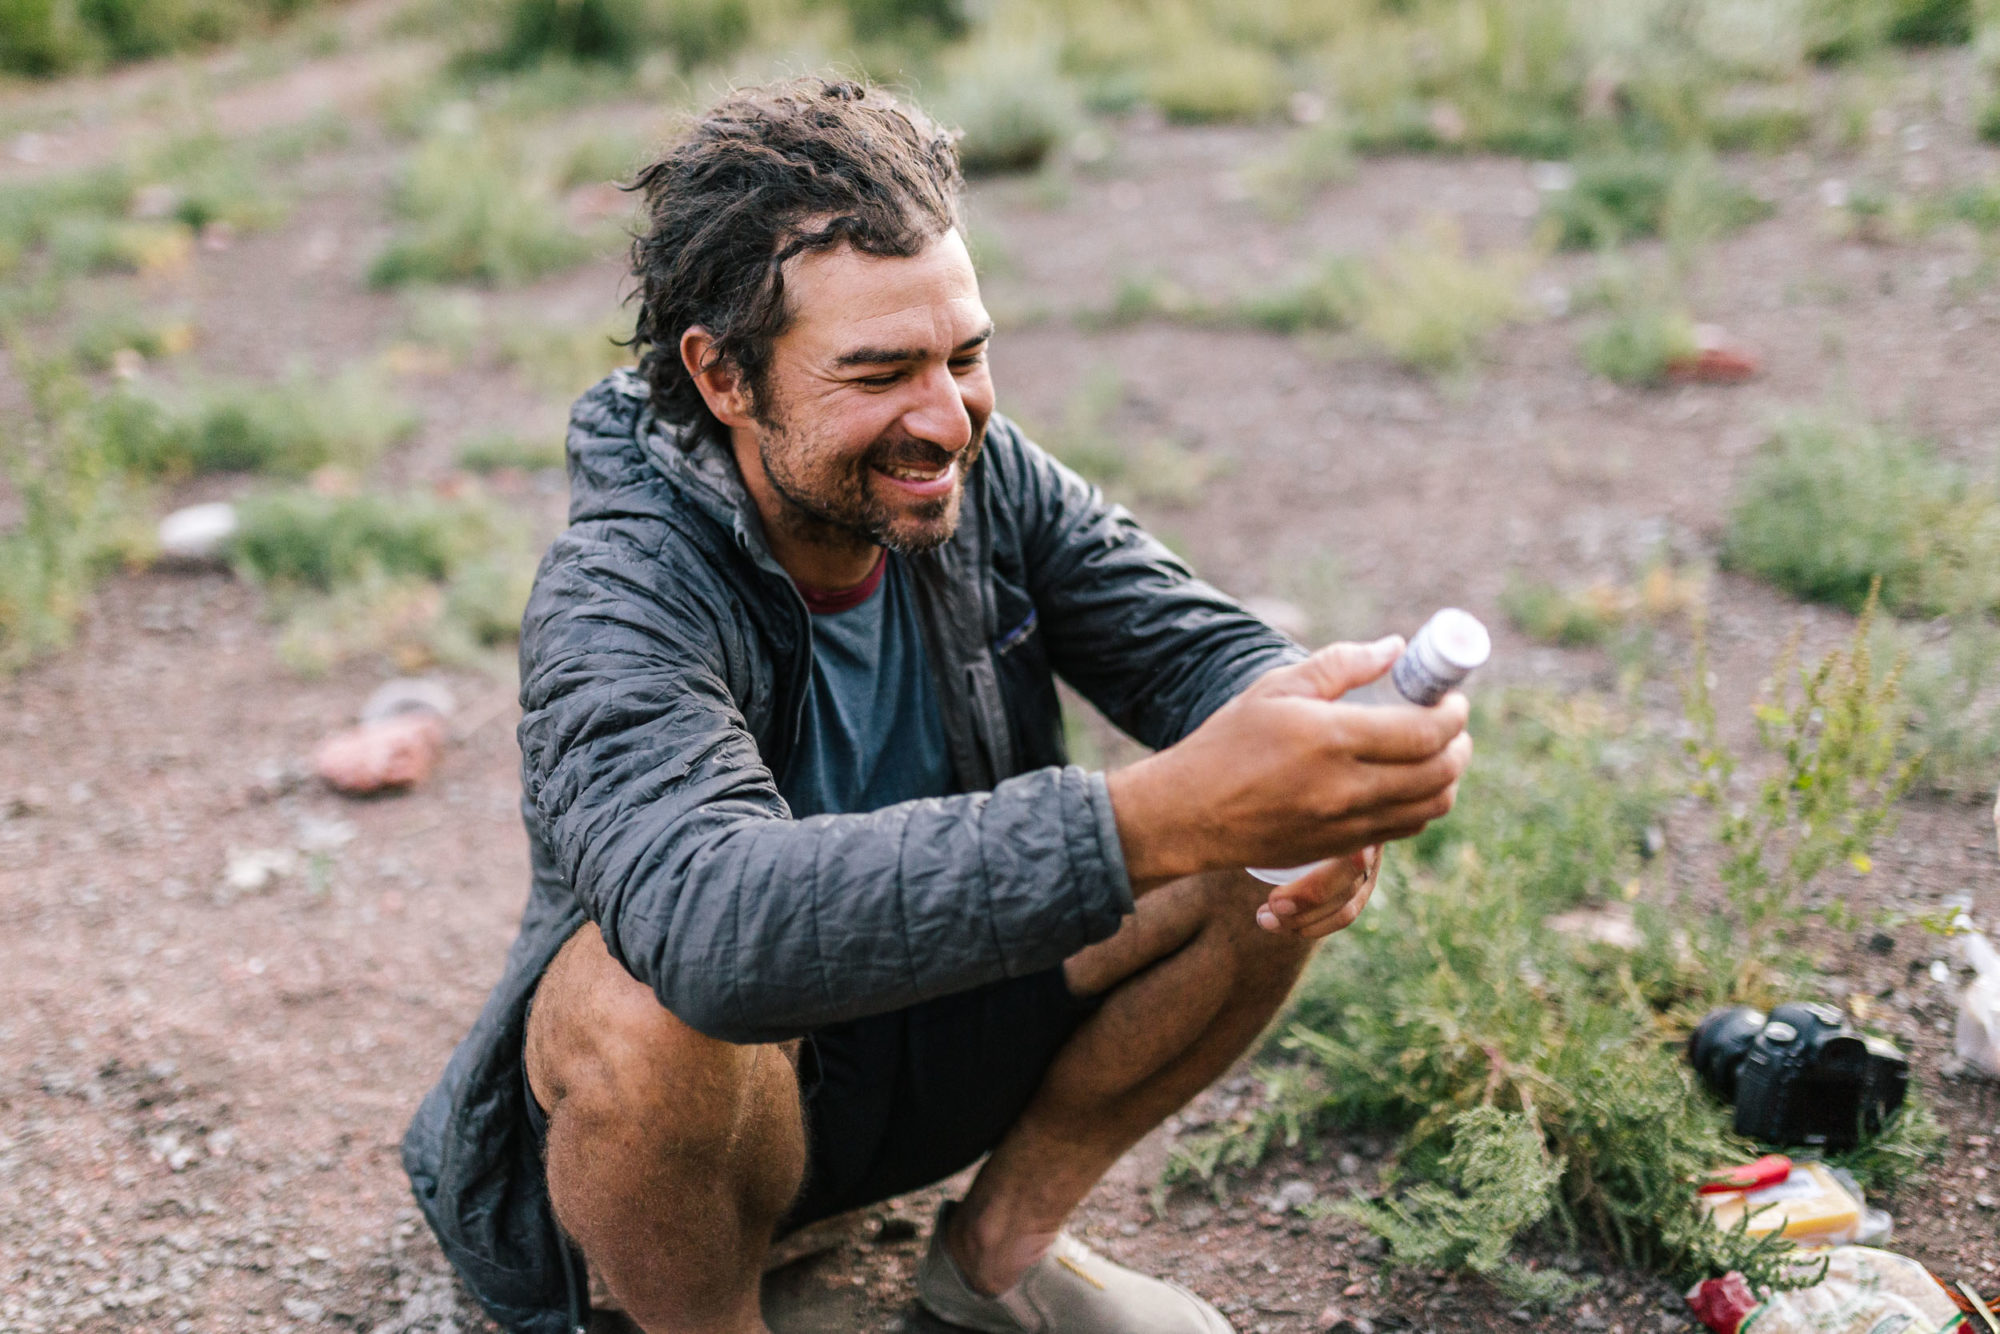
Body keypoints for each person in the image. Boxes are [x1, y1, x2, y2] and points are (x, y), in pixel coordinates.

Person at [401, 77, 1472, 1334]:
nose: (942, 415)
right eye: (878, 372)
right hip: (721, 1118)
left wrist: (1318, 744)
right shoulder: (619, 591)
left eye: (963, 354)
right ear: (723, 376)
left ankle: (997, 1262)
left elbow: (1195, 647)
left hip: (924, 1048)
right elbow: (705, 921)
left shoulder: (975, 472)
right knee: (636, 1005)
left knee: (1257, 824)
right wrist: (1143, 820)